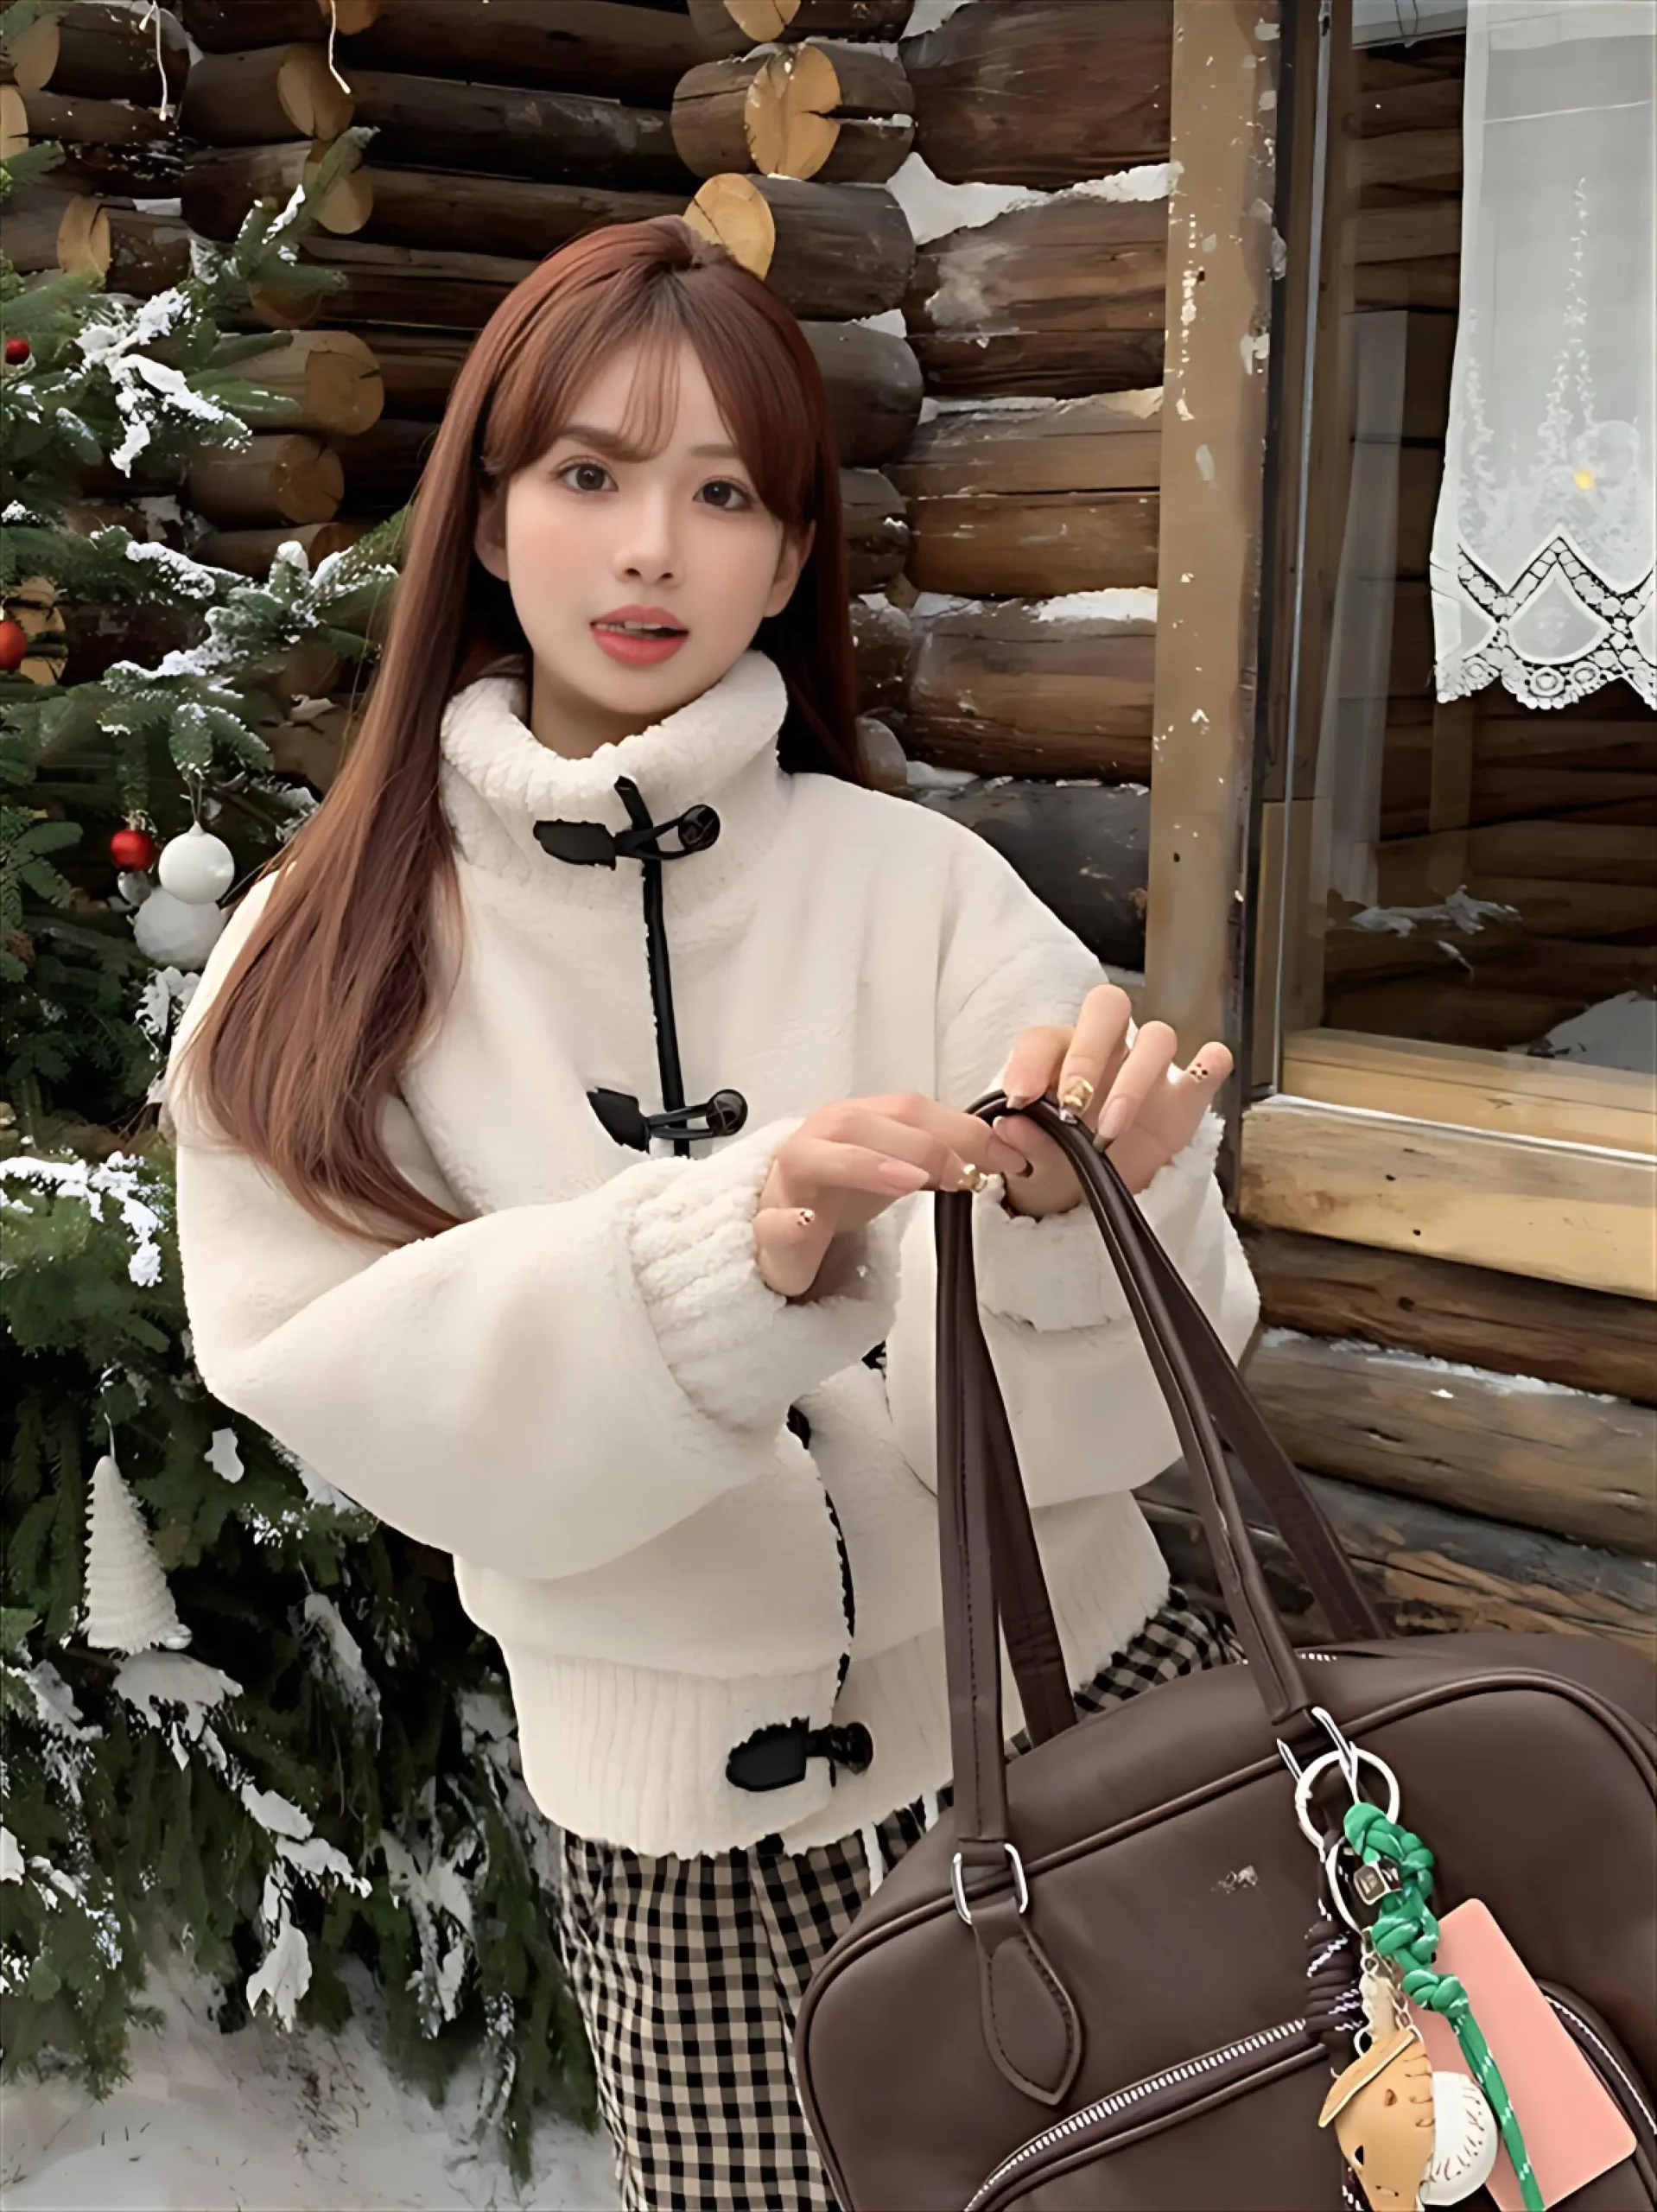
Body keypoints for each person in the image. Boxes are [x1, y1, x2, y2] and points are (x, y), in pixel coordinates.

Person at [168, 218, 1259, 2212]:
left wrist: (1057, 1229)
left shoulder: (921, 888)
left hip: (1079, 1724)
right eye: (589, 473)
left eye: (724, 492)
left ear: (787, 555)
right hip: (689, 1867)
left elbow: (1123, 1414)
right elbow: (338, 1375)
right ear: (485, 516)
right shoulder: (321, 954)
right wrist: (719, 1266)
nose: (652, 548)